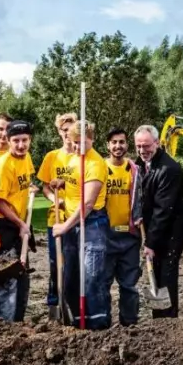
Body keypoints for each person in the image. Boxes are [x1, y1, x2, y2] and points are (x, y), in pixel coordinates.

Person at [53, 121, 110, 329]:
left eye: (81, 142)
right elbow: (75, 185)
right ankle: (78, 324)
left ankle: (98, 327)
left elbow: (87, 204)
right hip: (73, 224)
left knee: (91, 279)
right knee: (71, 280)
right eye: (74, 142)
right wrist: (62, 185)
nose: (77, 147)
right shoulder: (73, 159)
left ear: (91, 139)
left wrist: (64, 226)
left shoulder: (95, 163)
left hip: (92, 224)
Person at [135, 124, 183, 318]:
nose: (142, 151)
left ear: (157, 143)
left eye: (147, 146)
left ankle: (168, 321)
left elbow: (163, 210)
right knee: (157, 277)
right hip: (158, 230)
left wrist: (151, 243)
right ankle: (159, 321)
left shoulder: (169, 169)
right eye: (139, 146)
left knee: (166, 278)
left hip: (171, 234)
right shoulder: (143, 164)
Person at [0, 120, 36, 322]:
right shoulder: (3, 166)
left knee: (21, 276)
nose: (20, 145)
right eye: (16, 141)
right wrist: (20, 224)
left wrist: (30, 189)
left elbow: (23, 183)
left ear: (30, 140)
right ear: (8, 141)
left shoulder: (26, 158)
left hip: (19, 223)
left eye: (24, 140)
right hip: (5, 227)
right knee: (7, 278)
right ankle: (3, 326)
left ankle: (17, 324)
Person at [37, 112, 76, 319]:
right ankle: (54, 308)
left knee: (73, 264)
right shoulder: (52, 157)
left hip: (76, 219)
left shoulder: (82, 157)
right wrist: (55, 199)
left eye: (71, 129)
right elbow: (45, 186)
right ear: (59, 132)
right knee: (55, 264)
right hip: (57, 219)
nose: (68, 134)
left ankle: (71, 304)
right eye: (64, 130)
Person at [104, 127, 143, 327]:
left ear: (127, 145)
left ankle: (130, 325)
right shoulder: (100, 168)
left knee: (129, 285)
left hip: (129, 237)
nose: (118, 146)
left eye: (122, 142)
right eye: (114, 142)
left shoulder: (134, 170)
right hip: (106, 235)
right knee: (103, 284)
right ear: (108, 145)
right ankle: (103, 323)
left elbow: (140, 200)